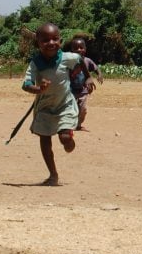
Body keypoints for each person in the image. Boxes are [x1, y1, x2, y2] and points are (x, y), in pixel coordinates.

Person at [22, 24, 96, 186]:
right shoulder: (35, 63)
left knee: (64, 138)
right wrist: (38, 89)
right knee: (45, 139)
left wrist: (88, 77)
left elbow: (80, 61)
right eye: (45, 40)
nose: (51, 43)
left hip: (65, 105)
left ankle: (68, 140)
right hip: (44, 108)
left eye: (55, 39)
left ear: (60, 41)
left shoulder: (67, 58)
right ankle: (52, 175)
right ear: (38, 43)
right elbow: (26, 84)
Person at [67, 36, 103, 131]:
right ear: (72, 50)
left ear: (85, 49)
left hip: (83, 90)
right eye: (76, 48)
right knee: (71, 109)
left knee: (83, 110)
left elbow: (96, 68)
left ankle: (78, 125)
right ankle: (69, 125)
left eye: (81, 47)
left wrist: (99, 75)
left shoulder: (87, 61)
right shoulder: (69, 61)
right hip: (70, 91)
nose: (79, 50)